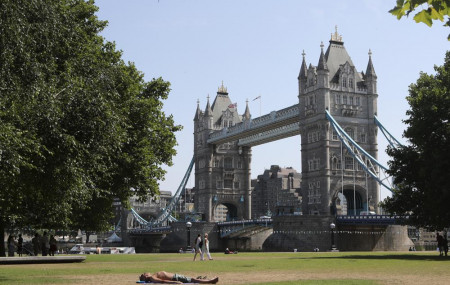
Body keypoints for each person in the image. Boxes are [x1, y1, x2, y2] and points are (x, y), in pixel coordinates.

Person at [139, 271, 218, 284]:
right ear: (146, 276)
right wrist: (174, 282)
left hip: (176, 276)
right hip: (175, 278)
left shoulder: (153, 276)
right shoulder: (152, 278)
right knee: (193, 280)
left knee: (192, 279)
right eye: (144, 273)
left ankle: (208, 280)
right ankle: (211, 281)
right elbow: (162, 281)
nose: (146, 272)